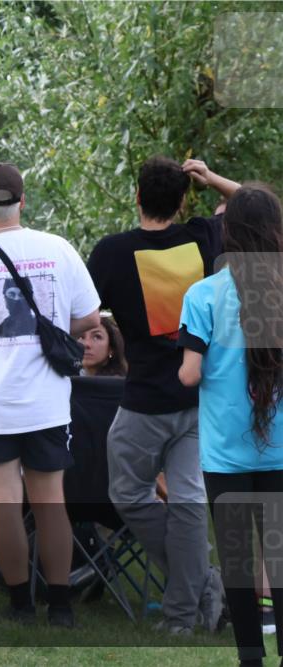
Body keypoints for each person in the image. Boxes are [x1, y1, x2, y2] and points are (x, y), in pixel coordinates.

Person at [0, 162, 101, 628]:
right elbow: (90, 320)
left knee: (4, 504)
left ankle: (19, 604)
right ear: (22, 203)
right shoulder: (59, 250)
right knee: (51, 503)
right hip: (47, 402)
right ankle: (62, 606)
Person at [87, 156, 241, 634]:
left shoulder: (111, 253)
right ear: (181, 201)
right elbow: (256, 206)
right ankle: (193, 600)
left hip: (145, 399)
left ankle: (189, 600)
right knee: (190, 503)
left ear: (136, 196)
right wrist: (213, 177)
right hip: (202, 396)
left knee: (129, 495)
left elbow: (87, 316)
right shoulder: (203, 237)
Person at [178, 184, 283, 665]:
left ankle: (250, 659)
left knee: (239, 566)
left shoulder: (203, 293)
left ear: (227, 232)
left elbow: (190, 373)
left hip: (225, 455)